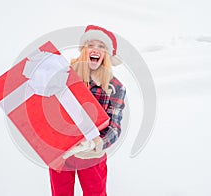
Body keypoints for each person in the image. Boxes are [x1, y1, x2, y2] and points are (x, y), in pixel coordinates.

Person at [49, 25, 126, 196]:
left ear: (107, 55)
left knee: (95, 193)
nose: (96, 50)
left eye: (101, 47)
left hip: (91, 156)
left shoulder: (115, 87)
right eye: (91, 45)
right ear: (84, 49)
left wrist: (96, 144)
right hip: (61, 152)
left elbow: (115, 126)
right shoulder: (65, 75)